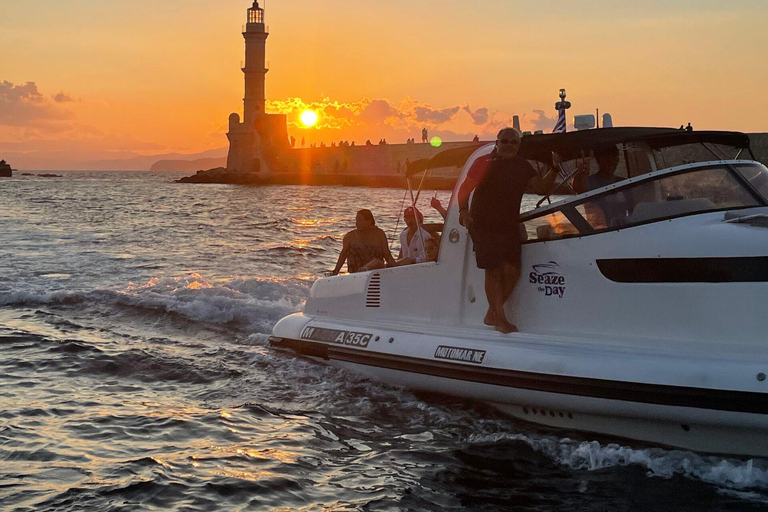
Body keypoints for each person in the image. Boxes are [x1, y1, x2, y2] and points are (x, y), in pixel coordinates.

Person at [457, 127, 559, 333]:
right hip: (483, 224)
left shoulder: (522, 166)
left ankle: (492, 313)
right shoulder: (483, 162)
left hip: (509, 224)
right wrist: (463, 211)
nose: (509, 146)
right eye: (504, 141)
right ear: (497, 143)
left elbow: (540, 187)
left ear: (518, 146)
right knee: (493, 270)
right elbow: (464, 189)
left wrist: (554, 169)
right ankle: (500, 319)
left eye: (513, 142)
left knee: (513, 270)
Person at [572, 145, 629, 227]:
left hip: (623, 228)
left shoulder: (624, 183)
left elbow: (633, 208)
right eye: (606, 159)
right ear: (598, 160)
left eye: (615, 158)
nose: (611, 163)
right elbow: (578, 188)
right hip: (597, 229)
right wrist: (581, 172)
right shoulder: (589, 182)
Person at [332, 209, 395, 275]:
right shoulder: (350, 236)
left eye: (360, 220)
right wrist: (336, 271)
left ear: (369, 221)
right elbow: (343, 255)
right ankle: (362, 270)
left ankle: (365, 269)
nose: (357, 223)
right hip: (355, 272)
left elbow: (387, 255)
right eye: (356, 220)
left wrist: (395, 267)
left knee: (377, 262)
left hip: (375, 272)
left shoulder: (379, 234)